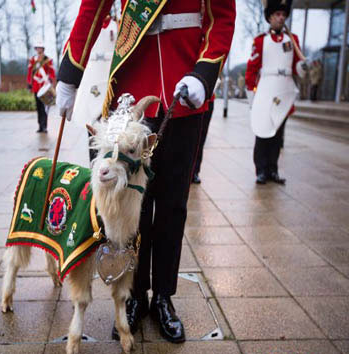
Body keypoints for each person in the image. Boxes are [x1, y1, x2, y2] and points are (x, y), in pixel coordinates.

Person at [55, 0, 235, 343]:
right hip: (131, 89)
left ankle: (164, 296)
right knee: (130, 208)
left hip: (186, 89)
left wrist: (204, 71)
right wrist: (70, 73)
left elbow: (221, 17)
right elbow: (92, 9)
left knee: (173, 205)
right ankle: (134, 295)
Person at [245, 0, 306, 185]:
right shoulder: (260, 41)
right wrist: (251, 96)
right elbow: (252, 69)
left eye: (283, 15)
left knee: (278, 134)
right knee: (263, 131)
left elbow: (297, 66)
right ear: (270, 17)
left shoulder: (292, 40)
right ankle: (261, 170)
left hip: (284, 90)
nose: (281, 18)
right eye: (277, 14)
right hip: (266, 89)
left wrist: (303, 67)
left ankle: (273, 169)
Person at [27, 40, 56, 133]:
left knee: (45, 107)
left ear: (43, 49)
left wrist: (51, 79)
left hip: (44, 86)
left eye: (40, 48)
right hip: (36, 86)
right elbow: (30, 72)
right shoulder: (32, 60)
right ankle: (40, 126)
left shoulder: (48, 59)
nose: (38, 49)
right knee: (38, 107)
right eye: (37, 48)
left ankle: (44, 126)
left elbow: (51, 72)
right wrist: (29, 83)